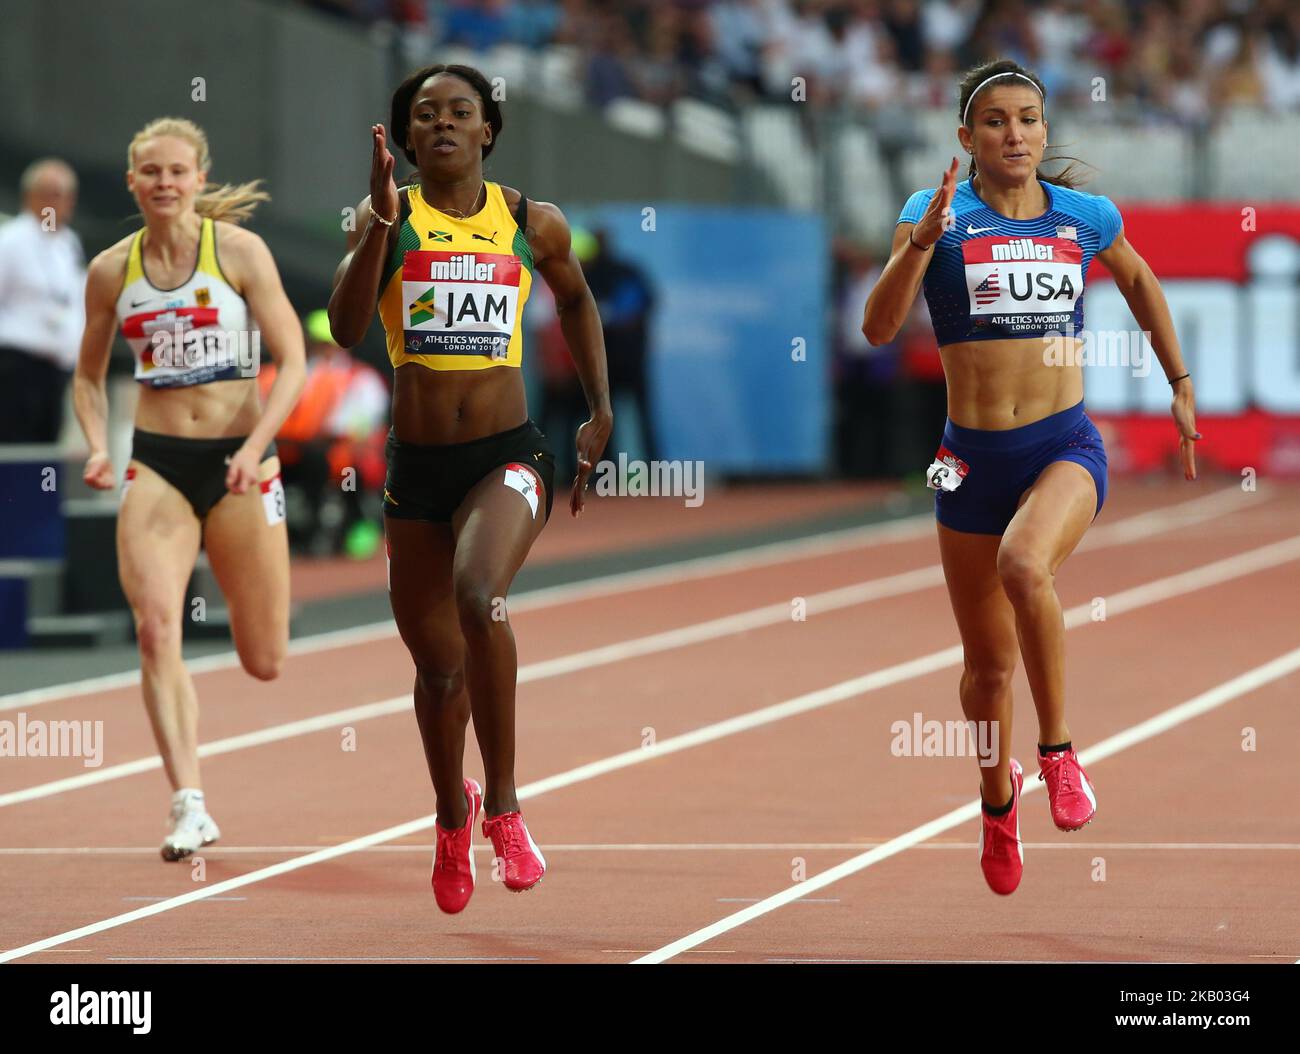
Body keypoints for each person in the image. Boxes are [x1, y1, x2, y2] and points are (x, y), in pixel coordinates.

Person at [863, 59, 1199, 896]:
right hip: (966, 461)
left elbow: (1142, 281)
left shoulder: (1084, 216)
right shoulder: (934, 214)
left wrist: (1180, 384)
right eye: (996, 121)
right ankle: (995, 803)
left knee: (1024, 565)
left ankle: (1057, 753)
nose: (1014, 134)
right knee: (984, 671)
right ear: (966, 138)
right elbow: (876, 328)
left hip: (1063, 446)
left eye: (1028, 119)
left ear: (1046, 132)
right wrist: (921, 243)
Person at [328, 64, 612, 913]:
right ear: (407, 139)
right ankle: (454, 816)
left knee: (479, 593)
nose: (444, 124)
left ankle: (510, 807)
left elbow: (577, 302)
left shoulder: (532, 222)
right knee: (439, 673)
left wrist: (598, 412)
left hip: (508, 454)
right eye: (426, 116)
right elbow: (345, 331)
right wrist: (378, 220)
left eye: (460, 112)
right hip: (418, 469)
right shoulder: (389, 218)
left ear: (488, 130)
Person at [73, 117, 306, 861]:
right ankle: (188, 803)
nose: (165, 183)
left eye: (178, 171)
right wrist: (93, 449)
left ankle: (196, 788)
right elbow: (86, 374)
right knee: (154, 629)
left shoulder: (238, 252)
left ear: (200, 180)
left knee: (264, 658)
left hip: (242, 463)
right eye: (151, 172)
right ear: (133, 182)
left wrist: (258, 447)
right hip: (160, 465)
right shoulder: (112, 270)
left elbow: (294, 362)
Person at [0, 159, 86, 443]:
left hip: (56, 371)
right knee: (15, 451)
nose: (60, 203)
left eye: (65, 195)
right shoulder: (10, 241)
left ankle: (40, 490)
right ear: (31, 196)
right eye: (52, 193)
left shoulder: (68, 243)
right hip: (15, 369)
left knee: (46, 455)